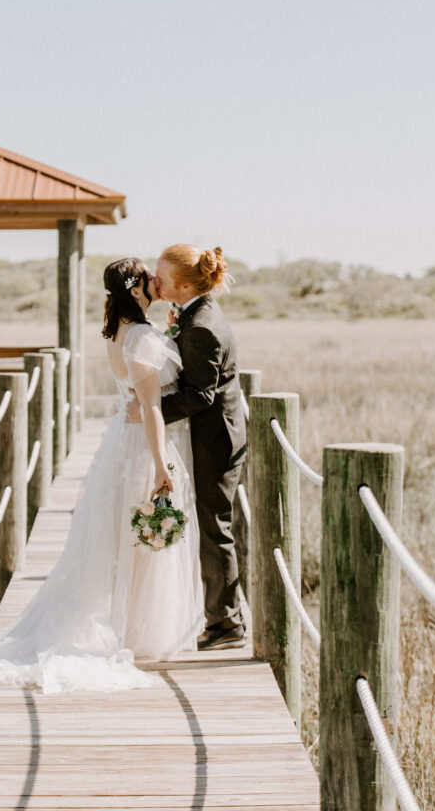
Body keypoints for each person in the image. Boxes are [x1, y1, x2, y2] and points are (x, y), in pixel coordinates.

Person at [0, 258, 203, 694]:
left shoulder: (121, 332)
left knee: (123, 537)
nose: (154, 280)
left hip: (121, 442)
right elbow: (149, 407)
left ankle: (130, 623)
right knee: (137, 538)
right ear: (135, 288)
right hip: (143, 445)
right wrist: (162, 466)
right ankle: (130, 629)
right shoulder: (142, 337)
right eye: (147, 277)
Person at [128, 245, 246, 650]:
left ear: (182, 285)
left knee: (216, 527)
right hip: (208, 433)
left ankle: (226, 624)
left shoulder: (202, 326)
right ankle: (221, 615)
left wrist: (146, 408)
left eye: (160, 278)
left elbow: (200, 396)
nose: (154, 282)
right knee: (214, 525)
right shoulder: (192, 313)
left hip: (217, 438)